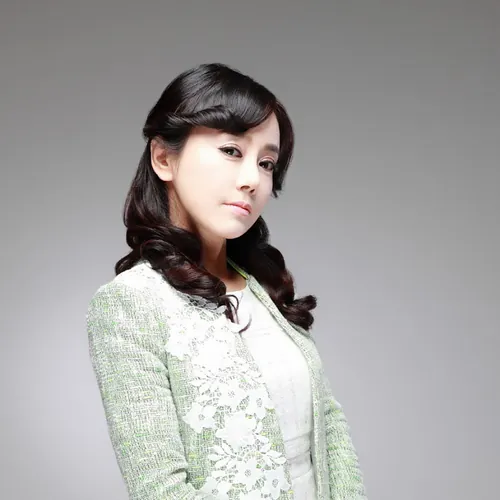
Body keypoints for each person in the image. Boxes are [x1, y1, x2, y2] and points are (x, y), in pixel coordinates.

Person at [86, 62, 367, 500]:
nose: (252, 180)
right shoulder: (130, 303)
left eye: (267, 163)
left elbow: (329, 427)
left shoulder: (264, 288)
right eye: (232, 150)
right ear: (163, 158)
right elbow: (160, 488)